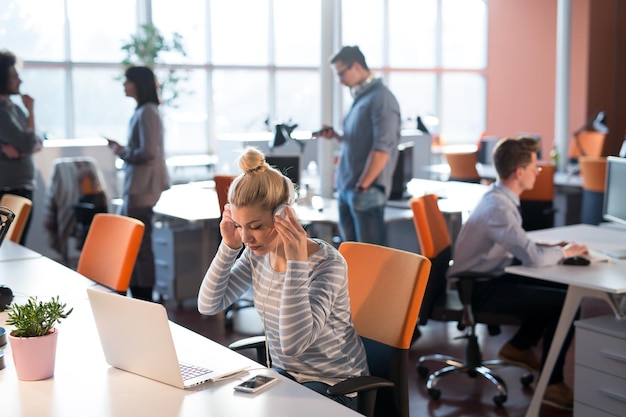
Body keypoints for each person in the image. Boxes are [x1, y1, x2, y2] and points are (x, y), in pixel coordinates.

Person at [197, 146, 368, 410]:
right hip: (287, 379)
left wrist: (296, 263)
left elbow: (292, 344)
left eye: (255, 227)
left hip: (336, 386)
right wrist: (228, 247)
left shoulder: (327, 265)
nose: (246, 238)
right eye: (240, 226)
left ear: (282, 216)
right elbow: (209, 305)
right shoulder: (257, 256)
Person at [448, 136, 588, 411]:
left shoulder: (498, 197)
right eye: (535, 167)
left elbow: (520, 243)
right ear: (519, 172)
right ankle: (551, 383)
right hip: (478, 289)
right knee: (567, 304)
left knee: (562, 293)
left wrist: (552, 247)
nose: (538, 172)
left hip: (486, 278)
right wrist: (567, 252)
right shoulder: (499, 207)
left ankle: (520, 347)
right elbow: (533, 258)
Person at [316, 45, 401, 245]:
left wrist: (362, 187)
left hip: (364, 191)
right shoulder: (361, 98)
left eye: (342, 73)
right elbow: (359, 141)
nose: (340, 80)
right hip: (349, 189)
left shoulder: (381, 99)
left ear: (355, 66)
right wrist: (337, 136)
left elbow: (383, 148)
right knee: (351, 260)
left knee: (370, 262)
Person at [107, 66, 169, 301]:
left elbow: (148, 152)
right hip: (139, 186)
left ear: (138, 84)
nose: (124, 85)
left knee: (140, 247)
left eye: (127, 81)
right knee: (137, 245)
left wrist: (122, 151)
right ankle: (139, 294)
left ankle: (144, 298)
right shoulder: (144, 111)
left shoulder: (147, 112)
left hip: (143, 187)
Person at [0, 50, 43, 245]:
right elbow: (28, 142)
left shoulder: (14, 109)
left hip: (21, 188)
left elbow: (37, 142)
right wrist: (32, 111)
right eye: (15, 76)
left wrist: (23, 148)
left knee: (17, 246)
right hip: (8, 189)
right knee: (10, 247)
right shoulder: (2, 113)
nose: (20, 80)